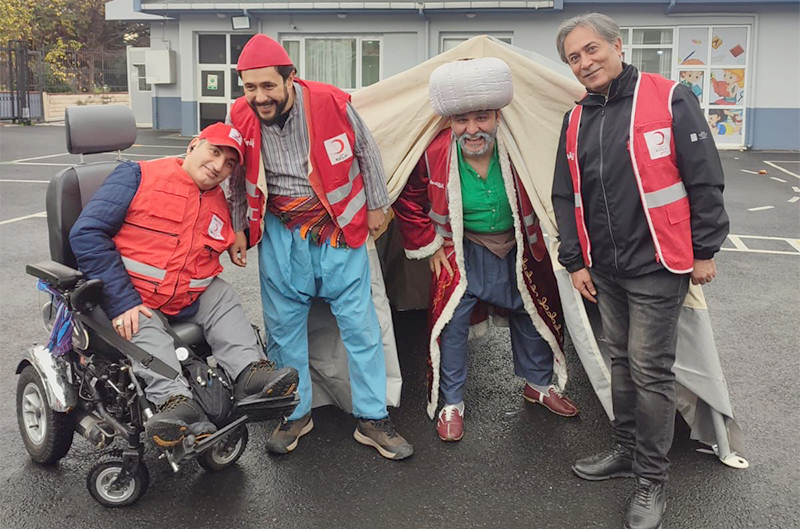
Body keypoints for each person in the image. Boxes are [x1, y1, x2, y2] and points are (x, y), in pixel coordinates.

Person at [552, 13, 729, 529]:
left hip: (658, 263)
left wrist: (705, 250)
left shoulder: (669, 97)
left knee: (650, 370)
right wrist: (575, 261)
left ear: (617, 45)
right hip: (604, 268)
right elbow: (566, 195)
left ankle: (652, 479)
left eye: (591, 49)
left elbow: (704, 177)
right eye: (574, 58)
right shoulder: (575, 118)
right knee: (622, 362)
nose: (585, 62)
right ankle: (627, 449)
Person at [226, 34, 413, 460]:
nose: (260, 97)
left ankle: (372, 417)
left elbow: (366, 152)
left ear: (290, 77)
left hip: (338, 229)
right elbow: (236, 176)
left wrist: (378, 206)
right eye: (250, 87)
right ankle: (295, 414)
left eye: (268, 85)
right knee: (283, 330)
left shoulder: (330, 101)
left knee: (361, 327)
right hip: (280, 232)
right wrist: (237, 227)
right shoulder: (240, 114)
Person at [69, 123, 299, 447]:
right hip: (133, 296)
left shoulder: (219, 200)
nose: (218, 166)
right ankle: (175, 404)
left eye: (229, 163)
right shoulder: (137, 176)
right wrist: (123, 301)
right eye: (214, 152)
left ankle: (250, 374)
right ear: (193, 146)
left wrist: (238, 235)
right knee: (143, 324)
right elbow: (87, 234)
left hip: (184, 296)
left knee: (221, 295)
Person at [393, 57, 576, 443]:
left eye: (482, 118)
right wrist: (430, 245)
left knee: (532, 313)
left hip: (521, 247)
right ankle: (451, 402)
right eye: (462, 120)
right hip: (460, 251)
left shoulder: (520, 147)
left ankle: (538, 384)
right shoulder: (434, 151)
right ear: (450, 122)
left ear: (498, 116)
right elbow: (407, 199)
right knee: (451, 325)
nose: (472, 129)